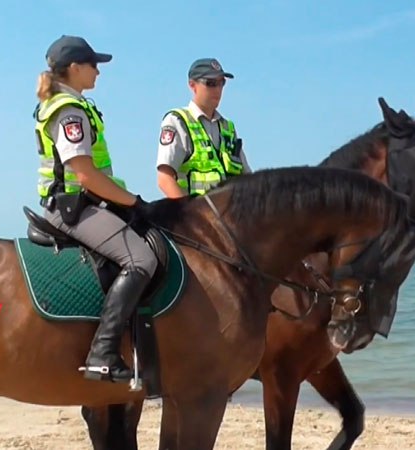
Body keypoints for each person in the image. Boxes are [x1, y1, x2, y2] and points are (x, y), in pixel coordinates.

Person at [33, 35, 157, 383]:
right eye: (93, 65)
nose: (98, 72)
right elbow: (85, 175)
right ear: (74, 68)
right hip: (72, 207)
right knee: (141, 259)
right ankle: (102, 354)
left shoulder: (77, 104)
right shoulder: (68, 111)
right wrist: (133, 201)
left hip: (89, 202)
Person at [156, 57, 252, 199]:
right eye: (211, 83)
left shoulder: (228, 128)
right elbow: (164, 179)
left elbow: (248, 181)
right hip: (192, 217)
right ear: (192, 85)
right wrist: (190, 217)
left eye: (222, 83)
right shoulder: (178, 121)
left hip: (230, 218)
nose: (218, 89)